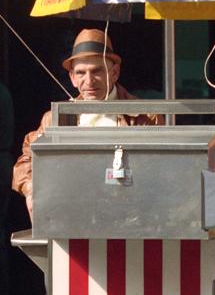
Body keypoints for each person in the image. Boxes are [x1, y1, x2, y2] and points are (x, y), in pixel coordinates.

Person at [12, 28, 155, 219]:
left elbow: (159, 171)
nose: (89, 81)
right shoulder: (55, 119)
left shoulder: (144, 116)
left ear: (114, 72)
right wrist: (31, 190)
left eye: (97, 71)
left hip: (130, 218)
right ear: (71, 77)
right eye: (81, 73)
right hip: (73, 216)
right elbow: (28, 157)